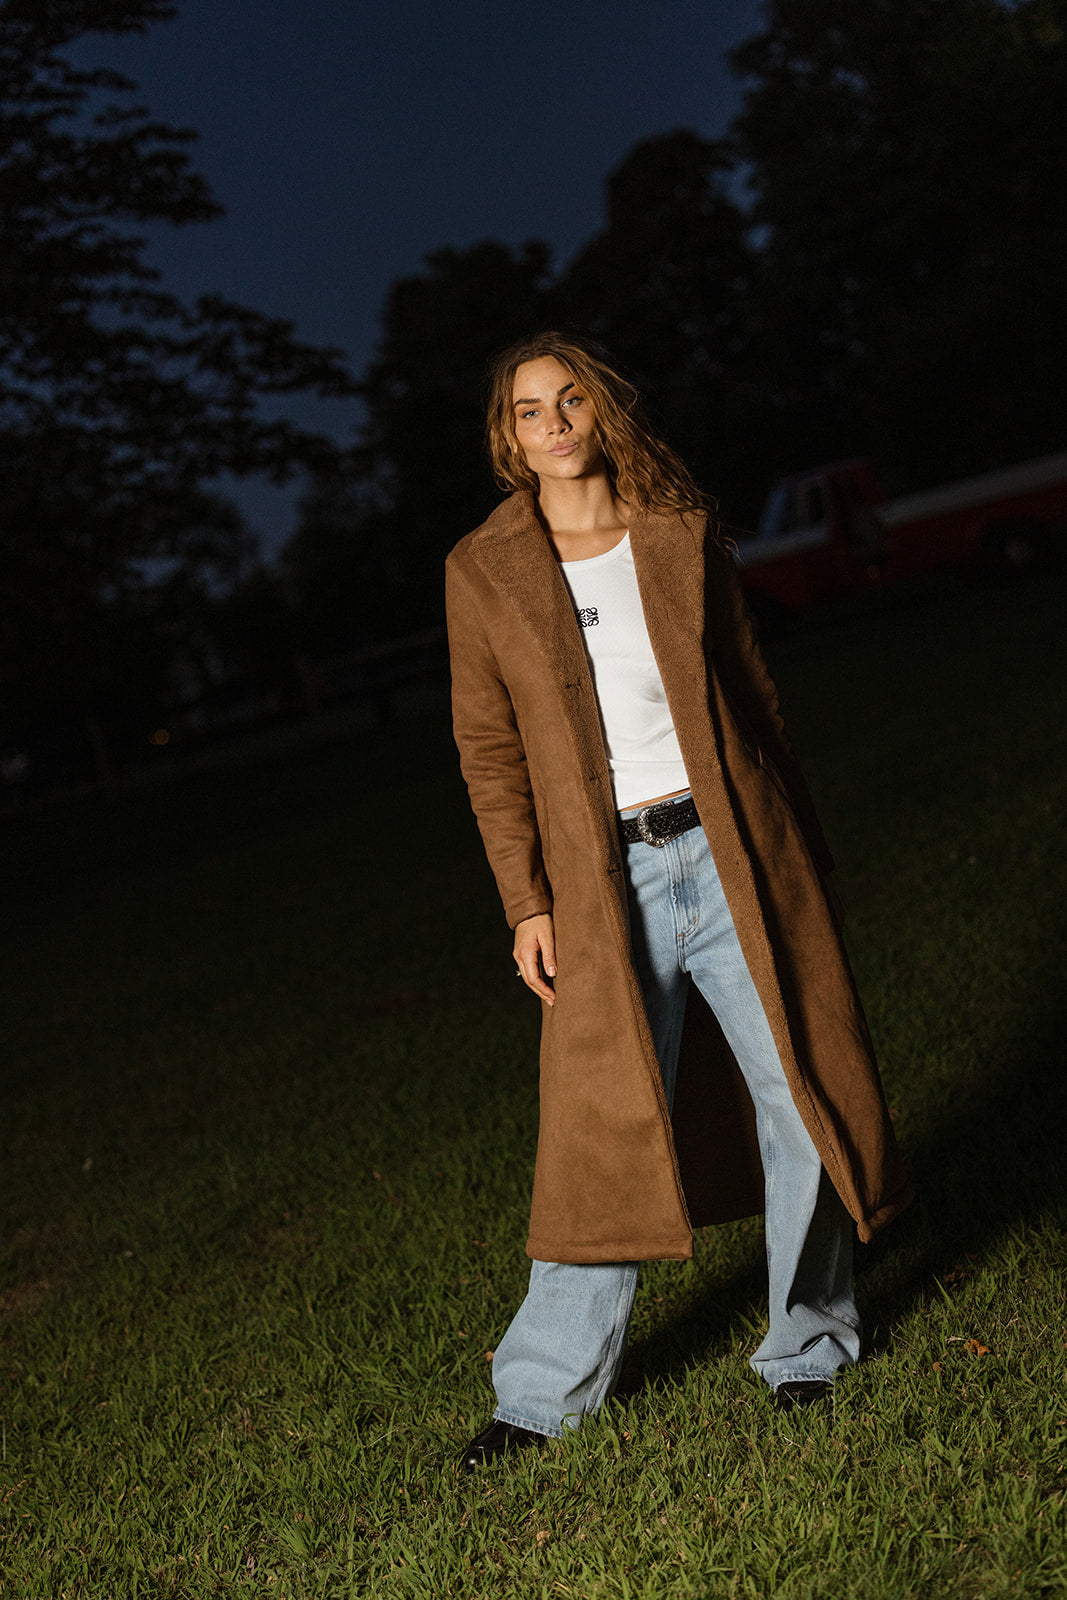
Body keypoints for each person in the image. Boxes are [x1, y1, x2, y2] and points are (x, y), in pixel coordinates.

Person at [445, 332, 911, 1472]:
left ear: (600, 411)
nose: (549, 424)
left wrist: (803, 857)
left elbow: (755, 697)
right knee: (596, 1127)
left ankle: (805, 1343)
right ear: (507, 438)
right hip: (606, 884)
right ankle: (542, 1395)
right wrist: (525, 900)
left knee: (798, 1090)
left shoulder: (679, 532)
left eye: (566, 401)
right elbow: (487, 748)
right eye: (524, 412)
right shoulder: (483, 567)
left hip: (735, 850)